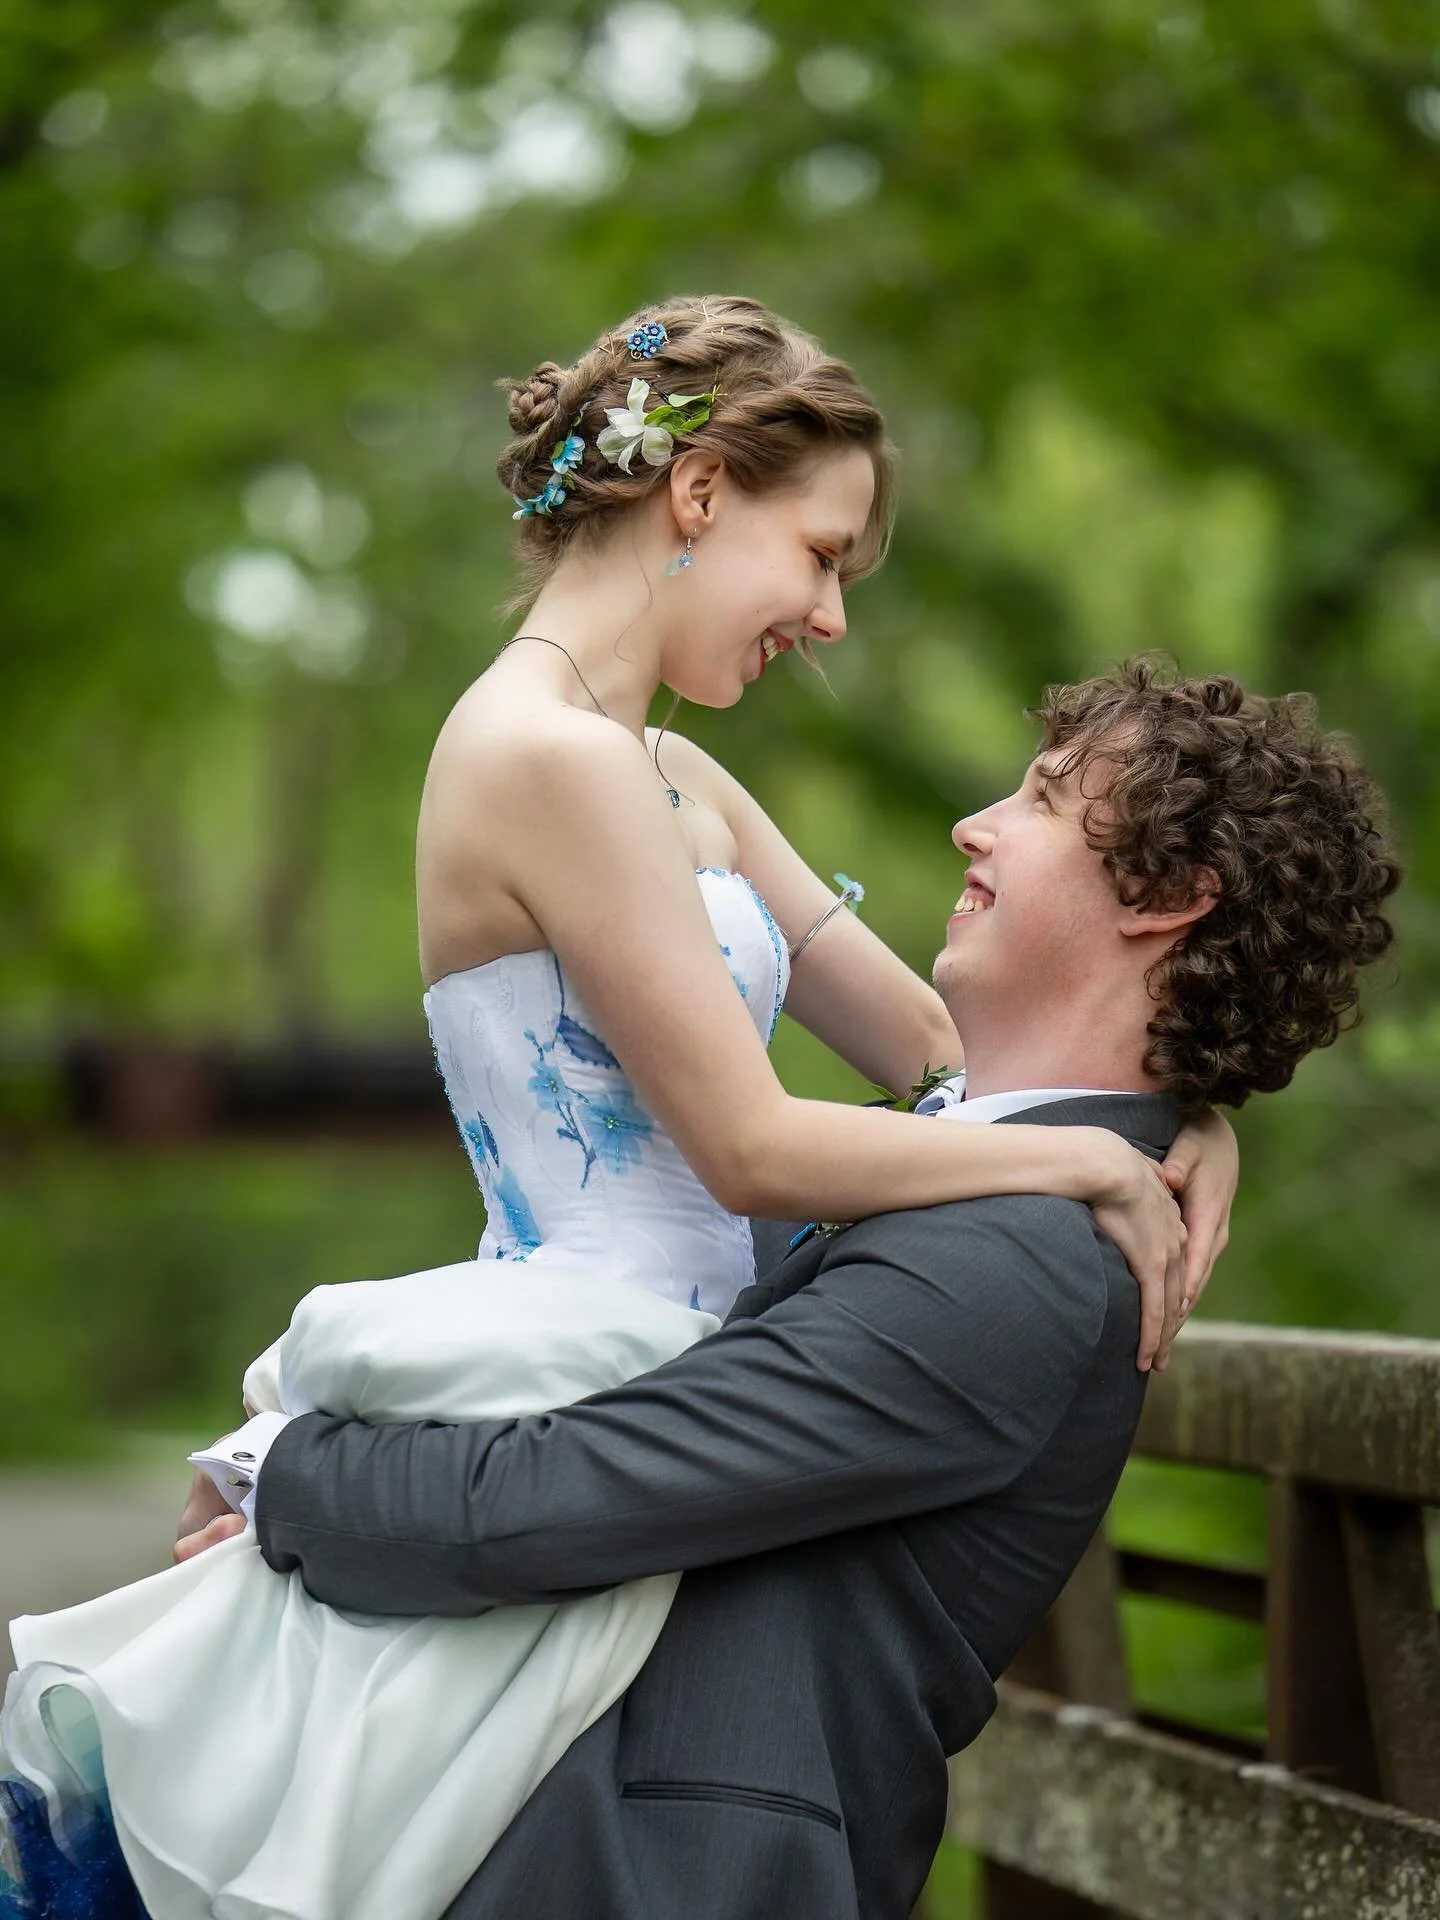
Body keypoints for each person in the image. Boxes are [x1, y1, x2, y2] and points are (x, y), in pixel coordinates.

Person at [0, 302, 1231, 1920]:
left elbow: (937, 1046)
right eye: (826, 552)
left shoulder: (681, 778)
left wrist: (1182, 1120)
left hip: (704, 1378)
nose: (834, 614)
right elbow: (750, 1148)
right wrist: (1087, 1163)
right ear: (704, 491)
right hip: (579, 1361)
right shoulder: (540, 760)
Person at [195, 659, 1399, 1920]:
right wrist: (1185, 1118)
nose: (975, 823)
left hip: (661, 1875)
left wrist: (278, 1474)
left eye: (1043, 798)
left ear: (1166, 899)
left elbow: (547, 1500)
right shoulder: (999, 1187)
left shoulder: (1015, 1265)